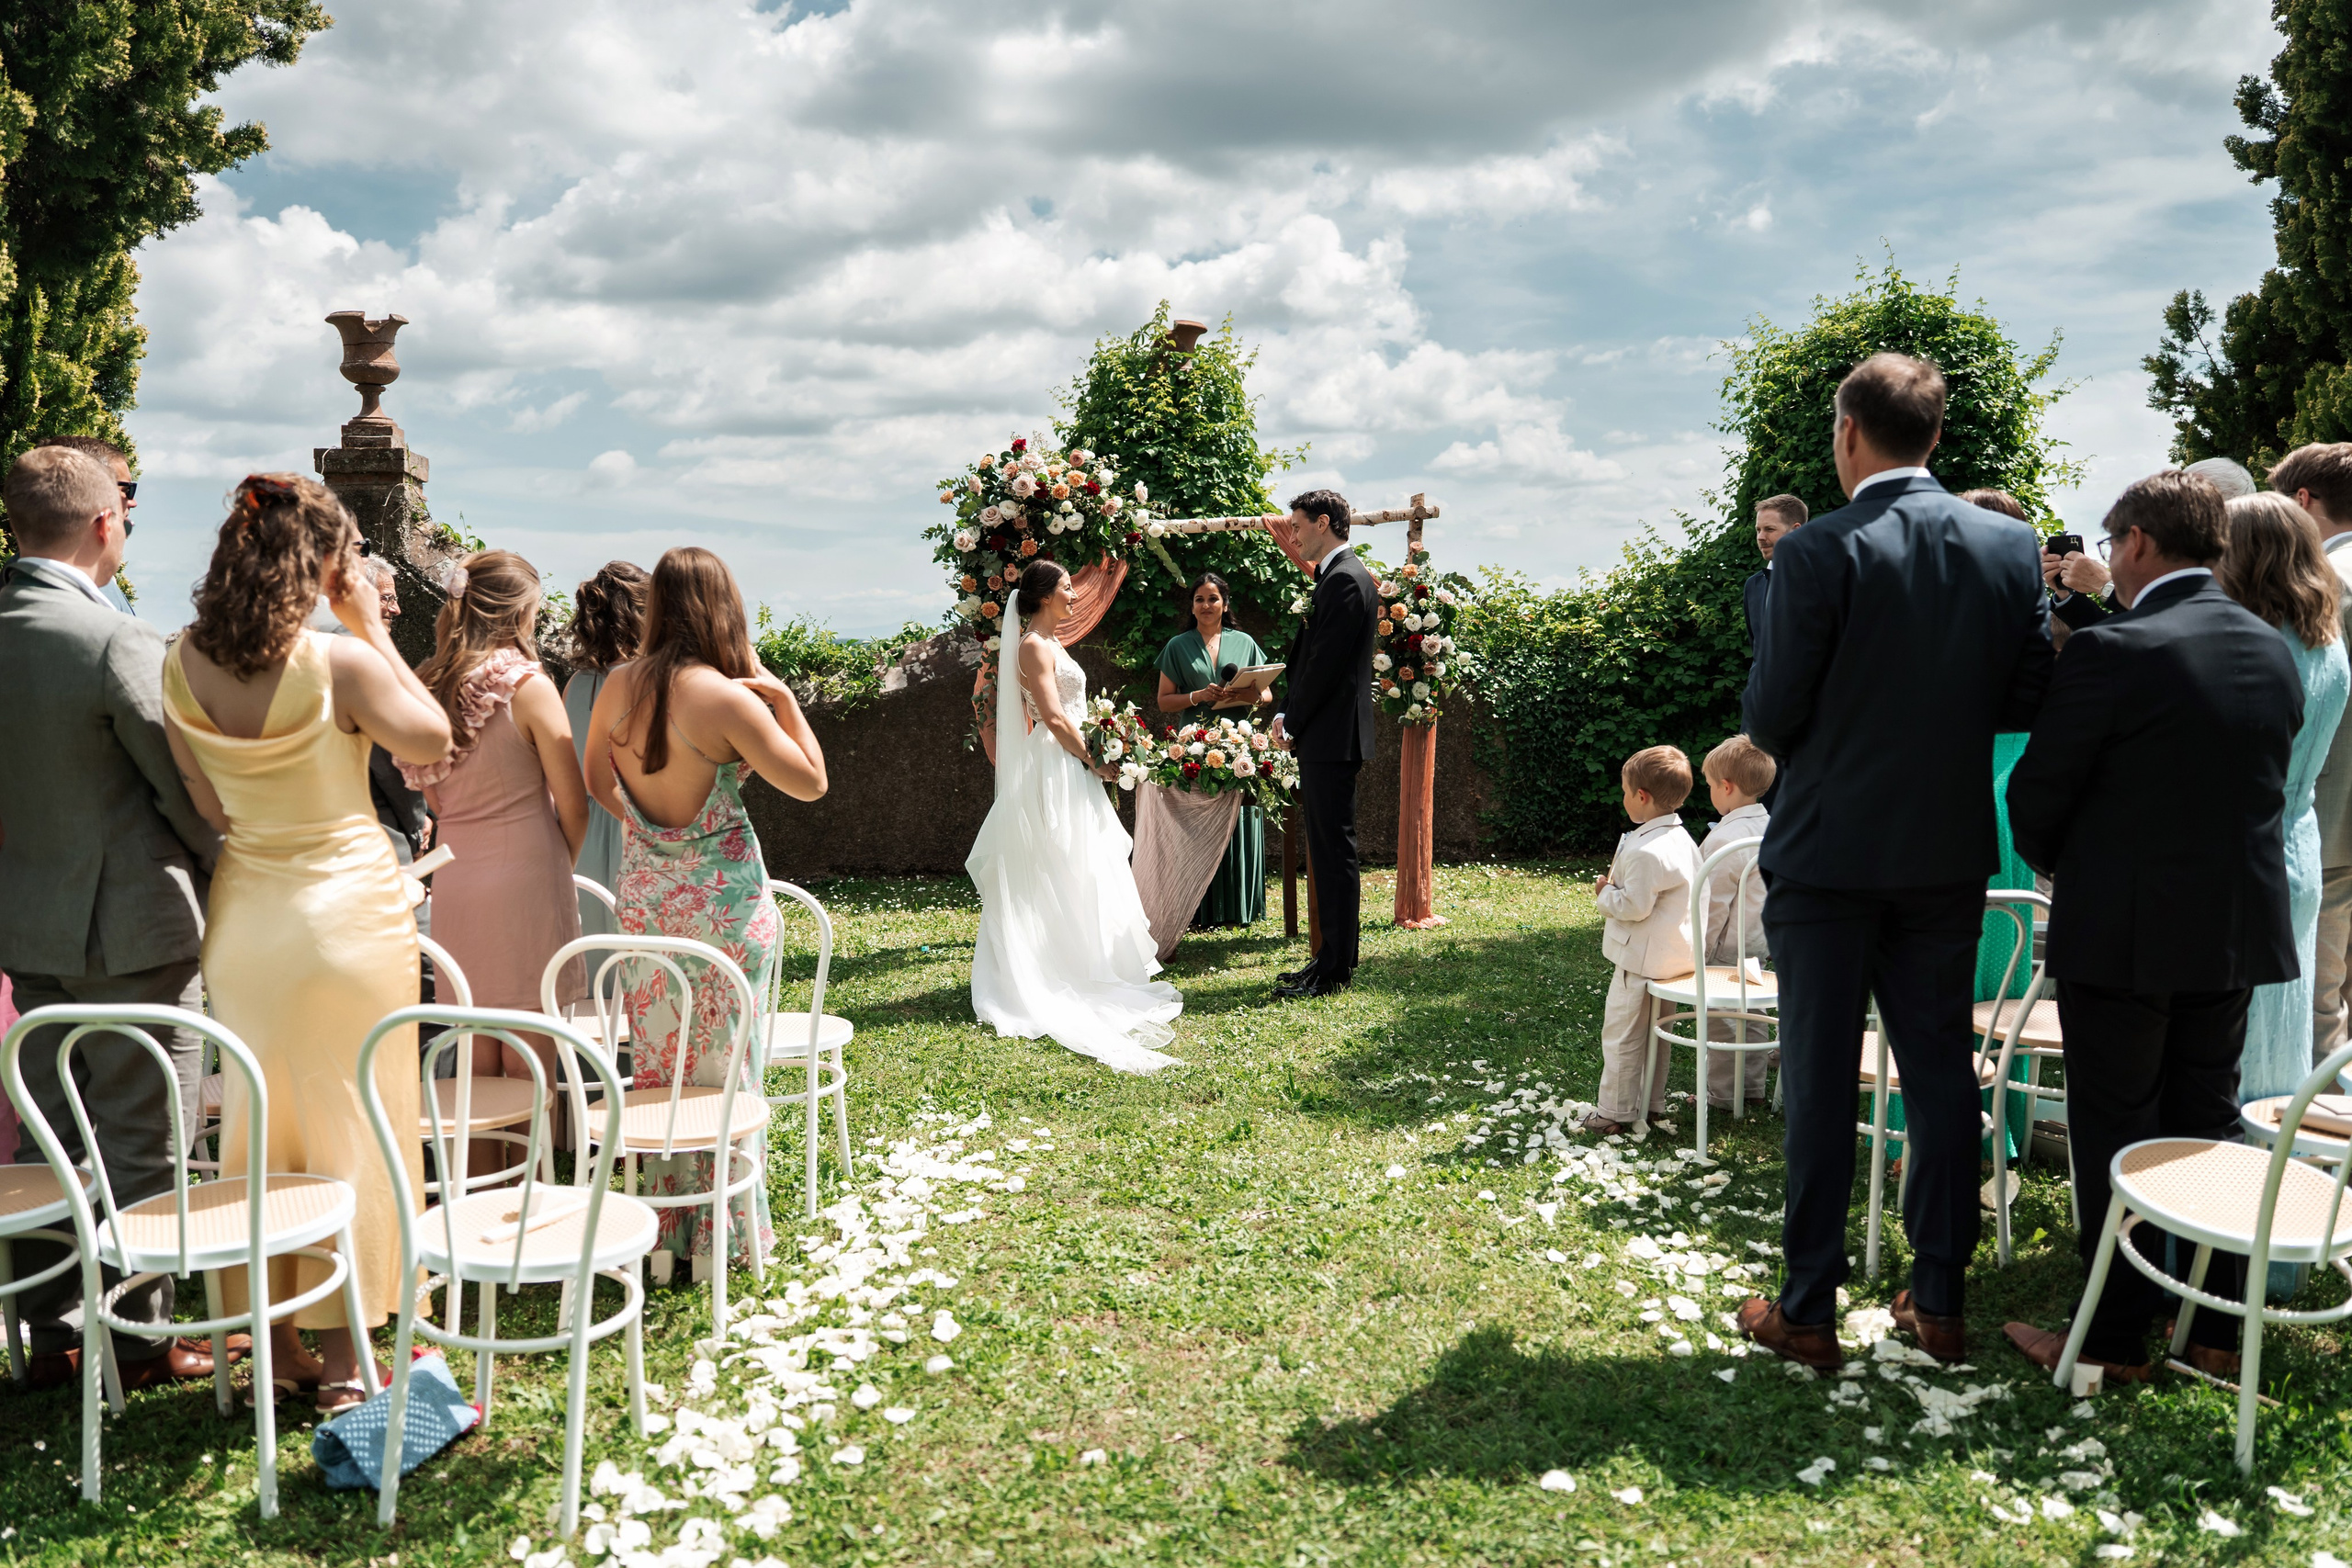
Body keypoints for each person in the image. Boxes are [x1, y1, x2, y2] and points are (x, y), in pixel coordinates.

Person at [1737, 353, 2052, 1371]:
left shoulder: (1816, 551)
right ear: (1936, 435)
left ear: (1847, 432)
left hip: (1828, 850)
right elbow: (2027, 696)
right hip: (1943, 850)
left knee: (1821, 1076)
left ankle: (1808, 1309)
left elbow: (1770, 715)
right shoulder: (2008, 544)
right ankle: (1940, 1300)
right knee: (1940, 1071)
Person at [2002, 469, 2302, 1382]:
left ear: (2135, 542)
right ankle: (2212, 1329)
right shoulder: (2270, 647)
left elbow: (2037, 795)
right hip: (2233, 927)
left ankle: (2111, 1337)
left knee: (2117, 1129)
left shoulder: (2112, 648)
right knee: (2208, 1123)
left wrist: (2075, 867)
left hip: (2125, 930)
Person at [161, 472, 453, 1412]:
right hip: (345, 919)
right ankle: (343, 1361)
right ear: (325, 562)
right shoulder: (340, 663)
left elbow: (211, 810)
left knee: (260, 1128)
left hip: (247, 922)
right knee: (352, 1124)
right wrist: (372, 628)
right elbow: (433, 739)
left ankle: (277, 1346)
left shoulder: (180, 665)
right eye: (354, 551)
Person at [0, 446, 220, 1393]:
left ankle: (51, 1333)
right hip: (134, 927)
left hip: (27, 924)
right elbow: (182, 789)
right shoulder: (113, 638)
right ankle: (141, 1340)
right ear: (105, 523)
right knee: (144, 1137)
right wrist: (229, 866)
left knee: (47, 1132)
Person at [583, 546, 826, 1279]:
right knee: (727, 1070)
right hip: (725, 911)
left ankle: (664, 1239)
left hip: (646, 904)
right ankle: (726, 1234)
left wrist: (652, 836)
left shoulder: (617, 684)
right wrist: (784, 700)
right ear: (725, 608)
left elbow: (596, 779)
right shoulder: (726, 699)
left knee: (661, 1067)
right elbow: (811, 782)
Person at [401, 550, 589, 1167]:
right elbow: (574, 803)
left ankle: (479, 1190)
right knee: (532, 1054)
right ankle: (530, 1197)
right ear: (520, 613)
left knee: (476, 1054)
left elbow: (434, 800)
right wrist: (555, 864)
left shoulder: (428, 688)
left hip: (458, 882)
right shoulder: (529, 687)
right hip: (527, 874)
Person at [967, 558, 1182, 1073]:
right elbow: (1053, 715)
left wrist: (1102, 744)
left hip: (1070, 762)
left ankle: (1084, 959)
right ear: (1044, 596)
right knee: (1055, 860)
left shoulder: (1053, 642)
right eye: (1066, 587)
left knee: (1079, 863)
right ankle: (1046, 968)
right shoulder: (1032, 646)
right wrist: (1094, 758)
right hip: (1056, 764)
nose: (1074, 595)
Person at [2220, 492, 2349, 1101]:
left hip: (2245, 847)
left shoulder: (2254, 647)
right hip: (2300, 838)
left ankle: (2231, 1150)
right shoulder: (2327, 643)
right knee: (2285, 1021)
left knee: (2241, 1031)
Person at [1269, 490, 1378, 999]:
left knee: (1334, 853)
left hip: (1332, 736)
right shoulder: (1334, 577)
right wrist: (1288, 711)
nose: (1292, 536)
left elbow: (1326, 666)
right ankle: (1330, 959)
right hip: (1327, 735)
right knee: (1329, 850)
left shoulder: (1345, 580)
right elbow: (1309, 659)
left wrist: (1291, 720)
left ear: (1324, 522)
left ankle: (1334, 971)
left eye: (1297, 526)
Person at [1581, 746, 1701, 1135]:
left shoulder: (1647, 849)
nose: (1623, 798)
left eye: (1625, 791)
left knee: (1623, 1033)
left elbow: (1633, 906)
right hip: (1673, 959)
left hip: (1640, 960)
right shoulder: (1683, 840)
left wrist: (1604, 892)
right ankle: (1650, 1102)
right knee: (1656, 1036)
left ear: (1642, 796)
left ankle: (1614, 1112)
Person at [2278, 443, 2352, 1062]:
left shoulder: (2325, 583)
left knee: (2317, 1007)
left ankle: (2318, 1121)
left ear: (2302, 501)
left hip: (2328, 822)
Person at [1154, 571, 1272, 927]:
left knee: (1239, 816)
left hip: (1238, 745)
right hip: (1193, 747)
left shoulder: (1244, 642)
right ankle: (1197, 908)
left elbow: (1266, 695)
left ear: (1225, 603)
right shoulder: (1177, 646)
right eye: (1199, 599)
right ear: (1192, 606)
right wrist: (1198, 696)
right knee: (1195, 824)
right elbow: (1163, 701)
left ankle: (1239, 907)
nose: (1206, 605)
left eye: (1213, 598)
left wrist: (1242, 694)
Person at [2043, 457, 2257, 631]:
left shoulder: (2245, 572)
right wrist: (2065, 593)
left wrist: (2105, 585)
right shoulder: (2171, 560)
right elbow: (2125, 636)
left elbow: (2174, 629)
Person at [563, 561, 648, 936]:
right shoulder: (646, 683)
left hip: (581, 830)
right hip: (630, 822)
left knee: (590, 943)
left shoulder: (576, 684)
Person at [1697, 734, 1775, 1111]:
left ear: (1726, 787)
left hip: (1726, 945)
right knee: (1752, 1013)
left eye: (1711, 785)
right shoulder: (1774, 827)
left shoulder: (1724, 839)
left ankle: (1727, 1096)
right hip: (1759, 941)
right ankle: (1753, 1088)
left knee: (1724, 1020)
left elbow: (1711, 906)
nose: (1710, 791)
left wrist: (1700, 950)